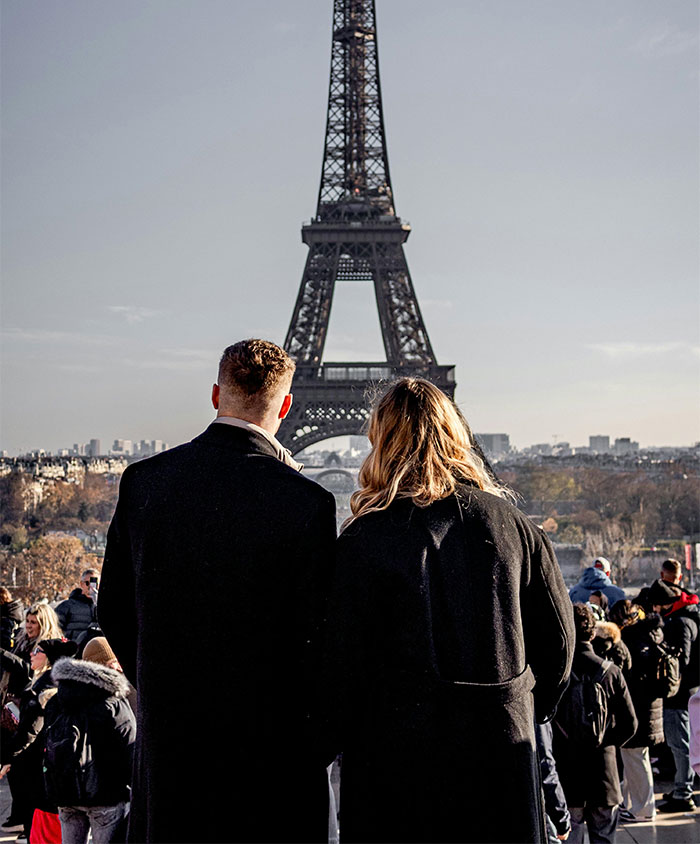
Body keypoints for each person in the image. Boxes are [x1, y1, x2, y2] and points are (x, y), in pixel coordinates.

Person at [98, 339, 337, 844]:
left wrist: (163, 684)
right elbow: (321, 637)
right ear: (286, 406)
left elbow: (113, 607)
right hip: (273, 750)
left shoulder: (144, 482)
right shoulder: (307, 502)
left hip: (173, 745)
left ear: (215, 395)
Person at [322, 377, 575, 844]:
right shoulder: (515, 527)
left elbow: (338, 671)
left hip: (395, 769)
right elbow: (558, 648)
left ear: (381, 440)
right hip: (500, 755)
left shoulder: (361, 541)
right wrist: (516, 702)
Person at [553, 604, 638, 844]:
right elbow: (631, 724)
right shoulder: (611, 672)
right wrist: (606, 743)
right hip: (604, 773)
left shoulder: (557, 674)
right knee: (605, 837)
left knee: (570, 835)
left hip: (568, 774)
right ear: (593, 634)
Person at [43, 652, 136, 844]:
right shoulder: (114, 703)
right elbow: (131, 750)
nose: (119, 667)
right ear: (102, 665)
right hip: (106, 796)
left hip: (67, 793)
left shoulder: (58, 699)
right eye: (114, 662)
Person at [0, 637, 78, 841]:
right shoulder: (51, 681)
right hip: (46, 762)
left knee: (43, 825)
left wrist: (8, 756)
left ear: (49, 659)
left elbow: (30, 730)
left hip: (39, 763)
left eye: (37, 652)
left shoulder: (46, 686)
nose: (31, 655)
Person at [0, 603, 64, 835]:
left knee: (31, 778)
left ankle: (29, 825)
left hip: (31, 719)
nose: (28, 626)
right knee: (20, 777)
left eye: (33, 622)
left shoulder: (48, 654)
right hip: (16, 709)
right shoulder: (22, 642)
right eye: (26, 621)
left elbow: (27, 671)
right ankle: (23, 819)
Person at [646, 579, 699, 813]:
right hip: (686, 692)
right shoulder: (686, 616)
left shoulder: (680, 623)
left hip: (680, 695)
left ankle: (683, 792)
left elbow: (682, 662)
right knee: (682, 743)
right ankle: (681, 787)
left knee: (681, 745)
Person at [612, 601, 664, 823]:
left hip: (638, 711)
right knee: (636, 758)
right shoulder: (653, 634)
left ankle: (643, 809)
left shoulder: (632, 640)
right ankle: (633, 804)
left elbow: (629, 678)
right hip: (650, 708)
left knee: (635, 759)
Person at [55, 569, 100, 642]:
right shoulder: (67, 606)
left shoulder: (101, 608)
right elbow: (54, 629)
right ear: (81, 584)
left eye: (94, 583)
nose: (91, 587)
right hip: (72, 650)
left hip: (94, 650)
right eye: (87, 583)